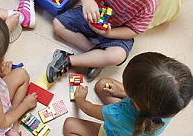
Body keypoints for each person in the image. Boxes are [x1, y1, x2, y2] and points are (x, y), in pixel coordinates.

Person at [63, 52, 193, 136]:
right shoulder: (168, 108)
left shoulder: (116, 113)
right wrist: (125, 94)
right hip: (136, 131)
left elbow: (87, 108)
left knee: (69, 126)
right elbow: (148, 102)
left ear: (135, 101)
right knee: (103, 84)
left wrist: (80, 99)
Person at [46, 0, 183, 82]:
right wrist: (88, 2)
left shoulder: (149, 5)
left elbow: (134, 30)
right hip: (91, 16)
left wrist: (110, 33)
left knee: (117, 55)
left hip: (117, 31)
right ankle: (94, 53)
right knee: (58, 25)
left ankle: (69, 60)